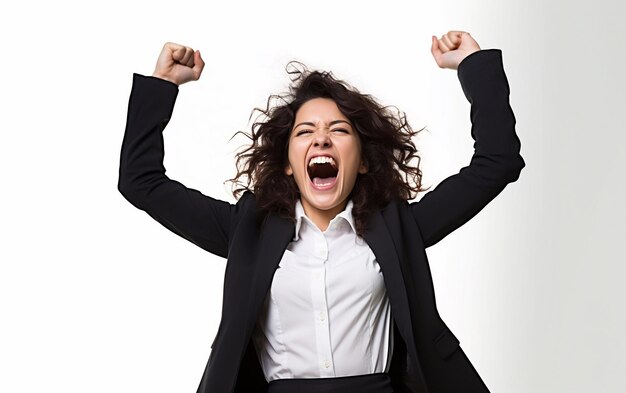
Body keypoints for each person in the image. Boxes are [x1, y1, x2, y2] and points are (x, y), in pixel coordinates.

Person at [118, 31, 524, 393]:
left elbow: (497, 161)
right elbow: (141, 181)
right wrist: (162, 84)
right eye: (305, 131)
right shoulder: (247, 230)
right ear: (288, 163)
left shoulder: (398, 227)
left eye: (340, 130)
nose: (322, 139)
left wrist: (472, 64)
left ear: (363, 161)